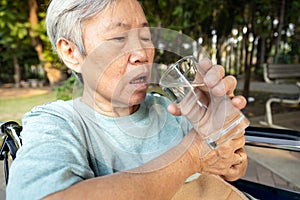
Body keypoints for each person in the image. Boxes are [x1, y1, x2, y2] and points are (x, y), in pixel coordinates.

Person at [6, 0, 249, 199]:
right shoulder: (57, 122)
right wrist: (192, 156)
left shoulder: (169, 108)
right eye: (119, 39)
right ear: (71, 53)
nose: (142, 54)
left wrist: (226, 137)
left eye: (145, 36)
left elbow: (233, 168)